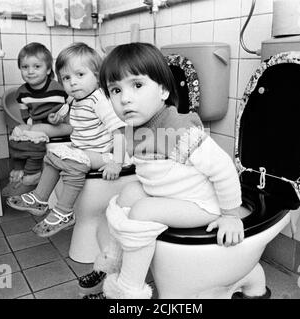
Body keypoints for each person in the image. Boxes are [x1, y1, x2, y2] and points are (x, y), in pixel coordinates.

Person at [80, 42, 251, 299]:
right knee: (126, 194)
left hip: (201, 203)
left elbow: (223, 167)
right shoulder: (134, 126)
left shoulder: (177, 130)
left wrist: (230, 215)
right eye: (116, 90)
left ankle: (127, 289)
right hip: (169, 195)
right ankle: (112, 262)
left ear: (162, 90)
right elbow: (132, 156)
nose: (125, 98)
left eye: (137, 85)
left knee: (141, 210)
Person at [6, 42, 127, 238]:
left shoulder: (99, 101)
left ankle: (64, 212)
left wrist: (117, 163)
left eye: (80, 75)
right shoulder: (74, 100)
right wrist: (57, 118)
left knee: (71, 163)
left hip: (103, 155)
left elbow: (119, 131)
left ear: (96, 76)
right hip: (83, 150)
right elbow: (68, 119)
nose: (73, 82)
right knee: (52, 156)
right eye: (66, 78)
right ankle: (40, 198)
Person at [2, 42, 72, 197]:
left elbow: (68, 109)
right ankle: (18, 170)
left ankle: (32, 175)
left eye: (36, 67)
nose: (30, 71)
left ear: (48, 69)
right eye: (25, 67)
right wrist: (26, 128)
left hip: (63, 124)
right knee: (18, 131)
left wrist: (57, 118)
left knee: (35, 132)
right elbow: (26, 116)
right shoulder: (21, 93)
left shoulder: (58, 88)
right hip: (40, 125)